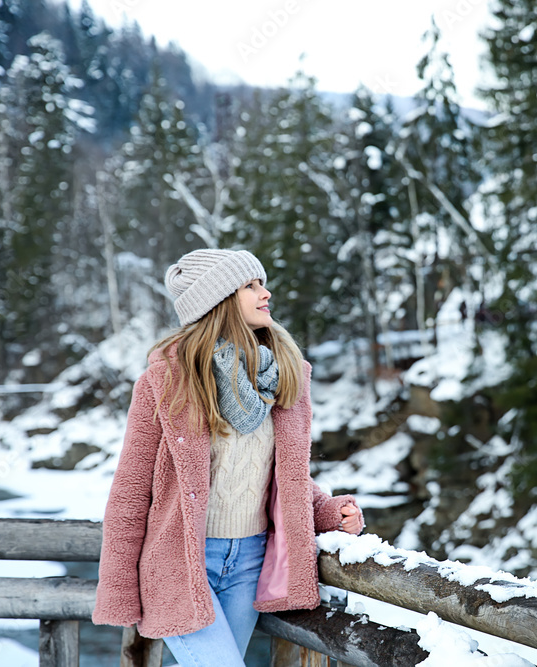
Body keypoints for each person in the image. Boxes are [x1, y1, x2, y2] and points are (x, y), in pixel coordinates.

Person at [92, 248, 364, 667]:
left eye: (262, 283)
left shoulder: (284, 373)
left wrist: (326, 511)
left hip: (251, 563)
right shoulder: (165, 381)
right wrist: (118, 590)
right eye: (250, 286)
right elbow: (130, 491)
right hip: (181, 563)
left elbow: (281, 477)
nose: (265, 293)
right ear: (218, 300)